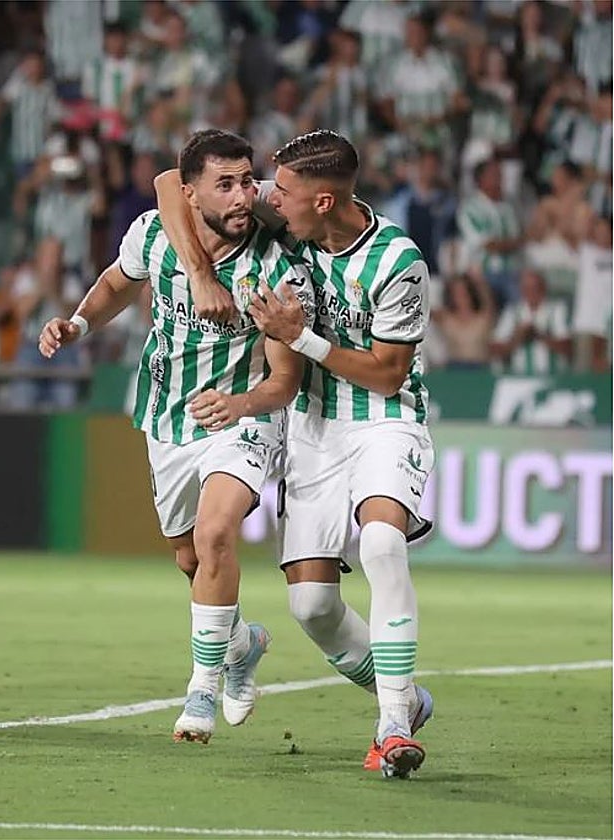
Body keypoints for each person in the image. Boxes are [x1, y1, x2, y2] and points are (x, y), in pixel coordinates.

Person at [155, 130, 435, 778]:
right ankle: (409, 700)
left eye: (282, 190)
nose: (264, 197)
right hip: (312, 429)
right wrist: (199, 270)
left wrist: (301, 340)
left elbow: (388, 375)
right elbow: (171, 184)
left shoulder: (399, 261)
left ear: (325, 200)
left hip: (384, 420)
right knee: (312, 607)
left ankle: (392, 724)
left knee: (382, 544)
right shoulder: (286, 230)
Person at [39, 130, 310, 744]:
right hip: (167, 415)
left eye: (247, 181)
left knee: (217, 532)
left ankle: (200, 690)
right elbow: (116, 281)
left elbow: (284, 378)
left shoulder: (273, 261)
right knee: (191, 559)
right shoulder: (154, 233)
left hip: (243, 415)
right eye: (226, 184)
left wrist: (242, 402)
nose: (244, 195)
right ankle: (243, 644)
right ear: (192, 195)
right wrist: (78, 323)